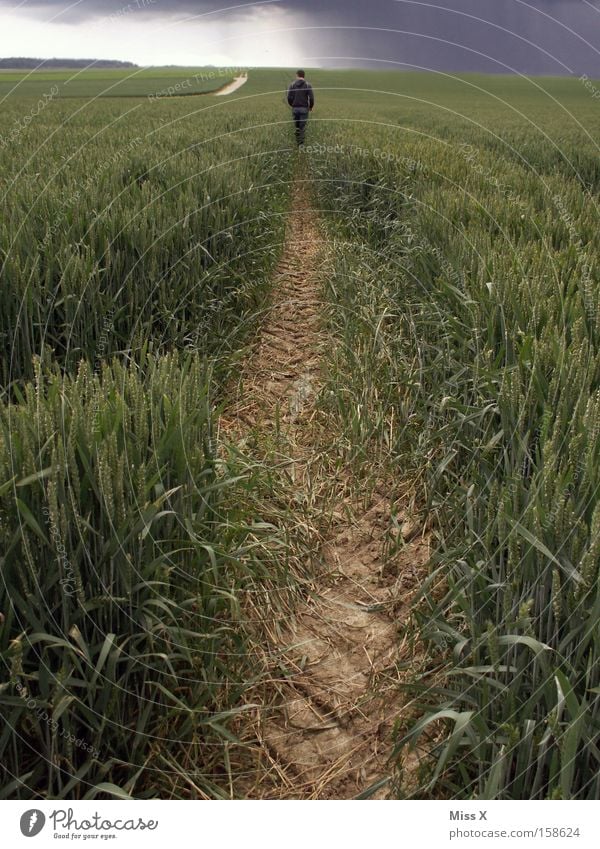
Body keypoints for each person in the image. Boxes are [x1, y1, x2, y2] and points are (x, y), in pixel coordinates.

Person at [287, 69, 314, 146]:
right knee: (302, 127)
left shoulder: (292, 85)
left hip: (295, 108)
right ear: (304, 76)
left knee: (297, 126)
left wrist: (292, 104)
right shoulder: (308, 85)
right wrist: (311, 106)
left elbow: (289, 97)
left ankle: (297, 142)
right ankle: (300, 145)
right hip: (304, 109)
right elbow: (311, 98)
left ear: (297, 75)